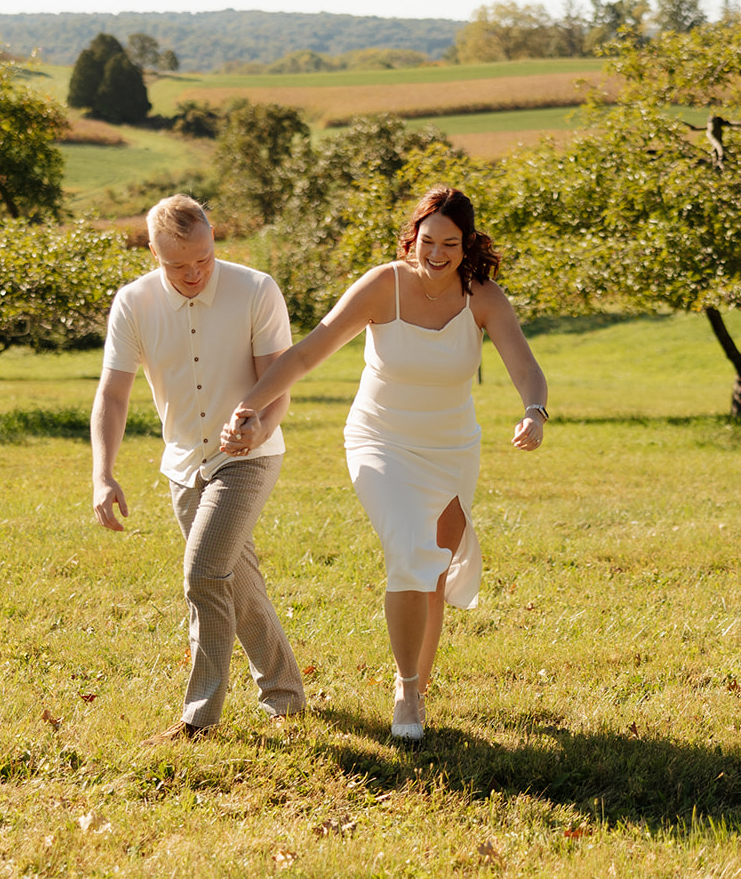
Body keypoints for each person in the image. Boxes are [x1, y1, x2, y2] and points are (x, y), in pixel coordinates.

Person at [222, 185, 547, 741]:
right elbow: (307, 351)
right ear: (412, 238)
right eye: (427, 240)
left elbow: (526, 367)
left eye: (450, 243)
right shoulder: (382, 285)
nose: (437, 253)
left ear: (467, 244)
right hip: (380, 441)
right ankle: (404, 687)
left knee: (435, 571)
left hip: (451, 448)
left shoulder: (484, 298)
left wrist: (534, 411)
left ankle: (418, 686)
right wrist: (250, 407)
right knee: (410, 553)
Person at [91, 194, 305, 743]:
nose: (193, 273)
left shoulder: (256, 289)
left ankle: (199, 717)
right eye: (177, 264)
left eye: (203, 259)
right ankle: (286, 698)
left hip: (247, 457)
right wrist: (103, 471)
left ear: (214, 240)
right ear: (153, 253)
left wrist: (257, 422)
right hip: (184, 464)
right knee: (237, 582)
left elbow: (276, 380)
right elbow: (114, 394)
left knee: (204, 572)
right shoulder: (133, 302)